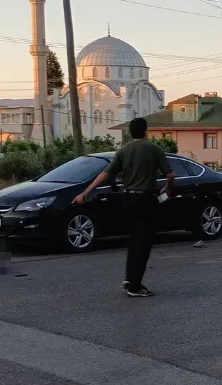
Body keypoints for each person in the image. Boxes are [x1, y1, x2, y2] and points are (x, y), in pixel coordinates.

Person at [74, 117, 174, 297]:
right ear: (145, 131)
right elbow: (170, 174)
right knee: (143, 243)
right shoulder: (154, 150)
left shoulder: (123, 151)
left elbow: (105, 174)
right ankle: (136, 286)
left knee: (134, 239)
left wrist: (85, 193)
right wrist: (167, 188)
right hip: (146, 200)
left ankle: (129, 279)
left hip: (127, 199)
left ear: (130, 132)